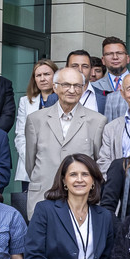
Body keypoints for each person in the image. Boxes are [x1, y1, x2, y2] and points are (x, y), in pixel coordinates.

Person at [23, 66, 106, 217]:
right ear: (55, 87)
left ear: (83, 89)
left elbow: (97, 164)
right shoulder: (35, 119)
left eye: (77, 86)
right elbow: (30, 163)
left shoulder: (97, 121)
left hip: (81, 200)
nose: (72, 90)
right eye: (66, 85)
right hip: (43, 195)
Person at [13, 60, 58, 206]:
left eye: (47, 74)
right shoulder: (25, 101)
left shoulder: (64, 100)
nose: (42, 79)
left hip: (57, 165)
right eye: (38, 75)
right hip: (30, 168)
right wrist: (31, 160)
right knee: (32, 209)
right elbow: (20, 135)